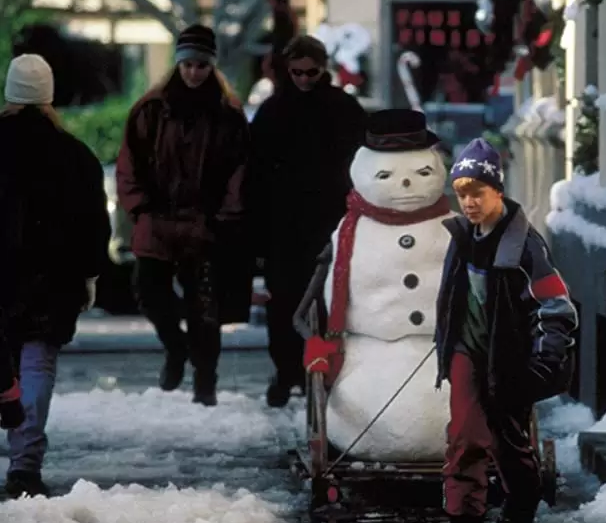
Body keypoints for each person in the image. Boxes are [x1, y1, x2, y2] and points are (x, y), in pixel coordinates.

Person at [434, 138, 579, 523]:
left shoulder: (526, 245)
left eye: (477, 193)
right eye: (462, 194)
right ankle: (464, 521)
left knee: (507, 441)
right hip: (466, 350)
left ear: (497, 189)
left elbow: (556, 304)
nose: (469, 203)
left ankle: (520, 506)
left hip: (509, 358)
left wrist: (546, 357)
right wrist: (445, 339)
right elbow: (451, 294)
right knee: (464, 434)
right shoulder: (461, 237)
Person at [116, 24, 251, 407]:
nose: (194, 72)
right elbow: (130, 162)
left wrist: (225, 213)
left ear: (212, 67)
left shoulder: (227, 114)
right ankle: (176, 349)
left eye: (201, 66)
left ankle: (204, 384)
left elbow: (239, 168)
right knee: (149, 292)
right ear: (178, 64)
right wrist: (139, 206)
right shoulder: (152, 109)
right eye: (189, 64)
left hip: (203, 222)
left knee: (204, 309)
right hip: (158, 216)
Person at [0, 54, 111, 497]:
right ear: (48, 96)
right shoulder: (74, 155)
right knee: (37, 364)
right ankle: (24, 462)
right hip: (52, 278)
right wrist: (89, 276)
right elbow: (93, 224)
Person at [249, 34, 366, 407]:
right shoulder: (277, 111)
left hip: (324, 221)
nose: (303, 79)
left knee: (324, 301)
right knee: (287, 302)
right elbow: (255, 173)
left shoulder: (337, 109)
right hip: (288, 224)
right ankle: (289, 372)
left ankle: (315, 370)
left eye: (309, 72)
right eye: (296, 72)